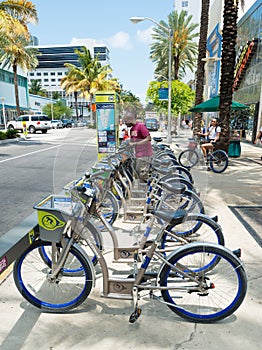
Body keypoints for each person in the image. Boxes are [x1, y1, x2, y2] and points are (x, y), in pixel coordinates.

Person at [124, 110, 153, 181]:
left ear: (130, 119)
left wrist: (135, 144)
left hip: (144, 155)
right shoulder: (132, 129)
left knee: (142, 176)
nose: (125, 123)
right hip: (138, 155)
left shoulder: (140, 126)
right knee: (136, 174)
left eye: (125, 121)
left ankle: (144, 190)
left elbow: (148, 138)